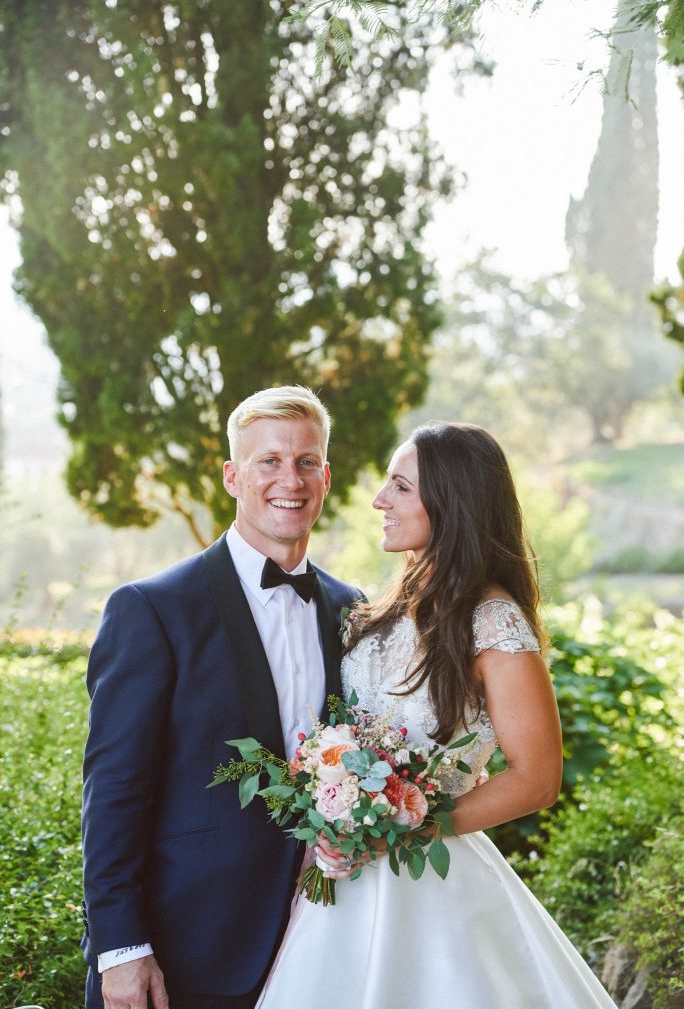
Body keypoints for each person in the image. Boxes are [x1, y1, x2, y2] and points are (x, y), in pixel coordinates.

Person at [256, 422, 619, 1009]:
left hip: (433, 882)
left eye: (399, 487)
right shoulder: (384, 606)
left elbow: (537, 777)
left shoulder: (493, 623)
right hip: (343, 885)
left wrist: (411, 826)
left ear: (450, 502)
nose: (379, 501)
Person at [81, 385, 363, 1009]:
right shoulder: (153, 610)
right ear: (234, 476)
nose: (289, 478)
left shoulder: (354, 612)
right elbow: (114, 791)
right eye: (269, 460)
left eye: (306, 461)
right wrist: (121, 947)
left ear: (325, 477)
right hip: (185, 948)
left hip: (325, 939)